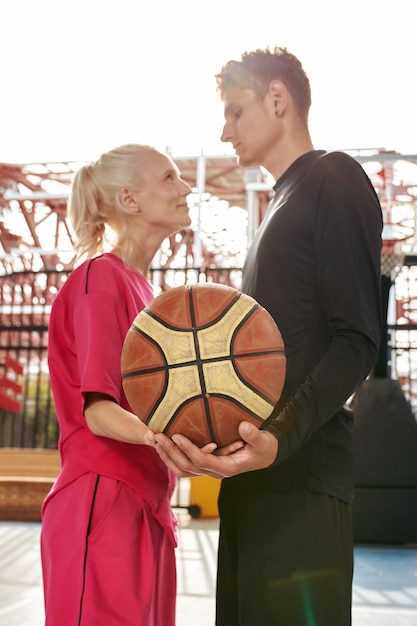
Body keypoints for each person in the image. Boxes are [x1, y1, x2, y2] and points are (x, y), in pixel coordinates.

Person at [154, 47, 383, 625]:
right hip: (254, 480)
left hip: (301, 485)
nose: (224, 130)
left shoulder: (333, 178)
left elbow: (356, 338)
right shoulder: (277, 206)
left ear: (277, 99)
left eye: (235, 111)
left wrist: (278, 437)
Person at [41, 143, 192, 626]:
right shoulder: (99, 279)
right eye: (168, 178)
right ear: (130, 199)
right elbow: (98, 411)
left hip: (147, 503)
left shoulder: (150, 295)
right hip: (103, 501)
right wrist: (162, 440)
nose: (185, 187)